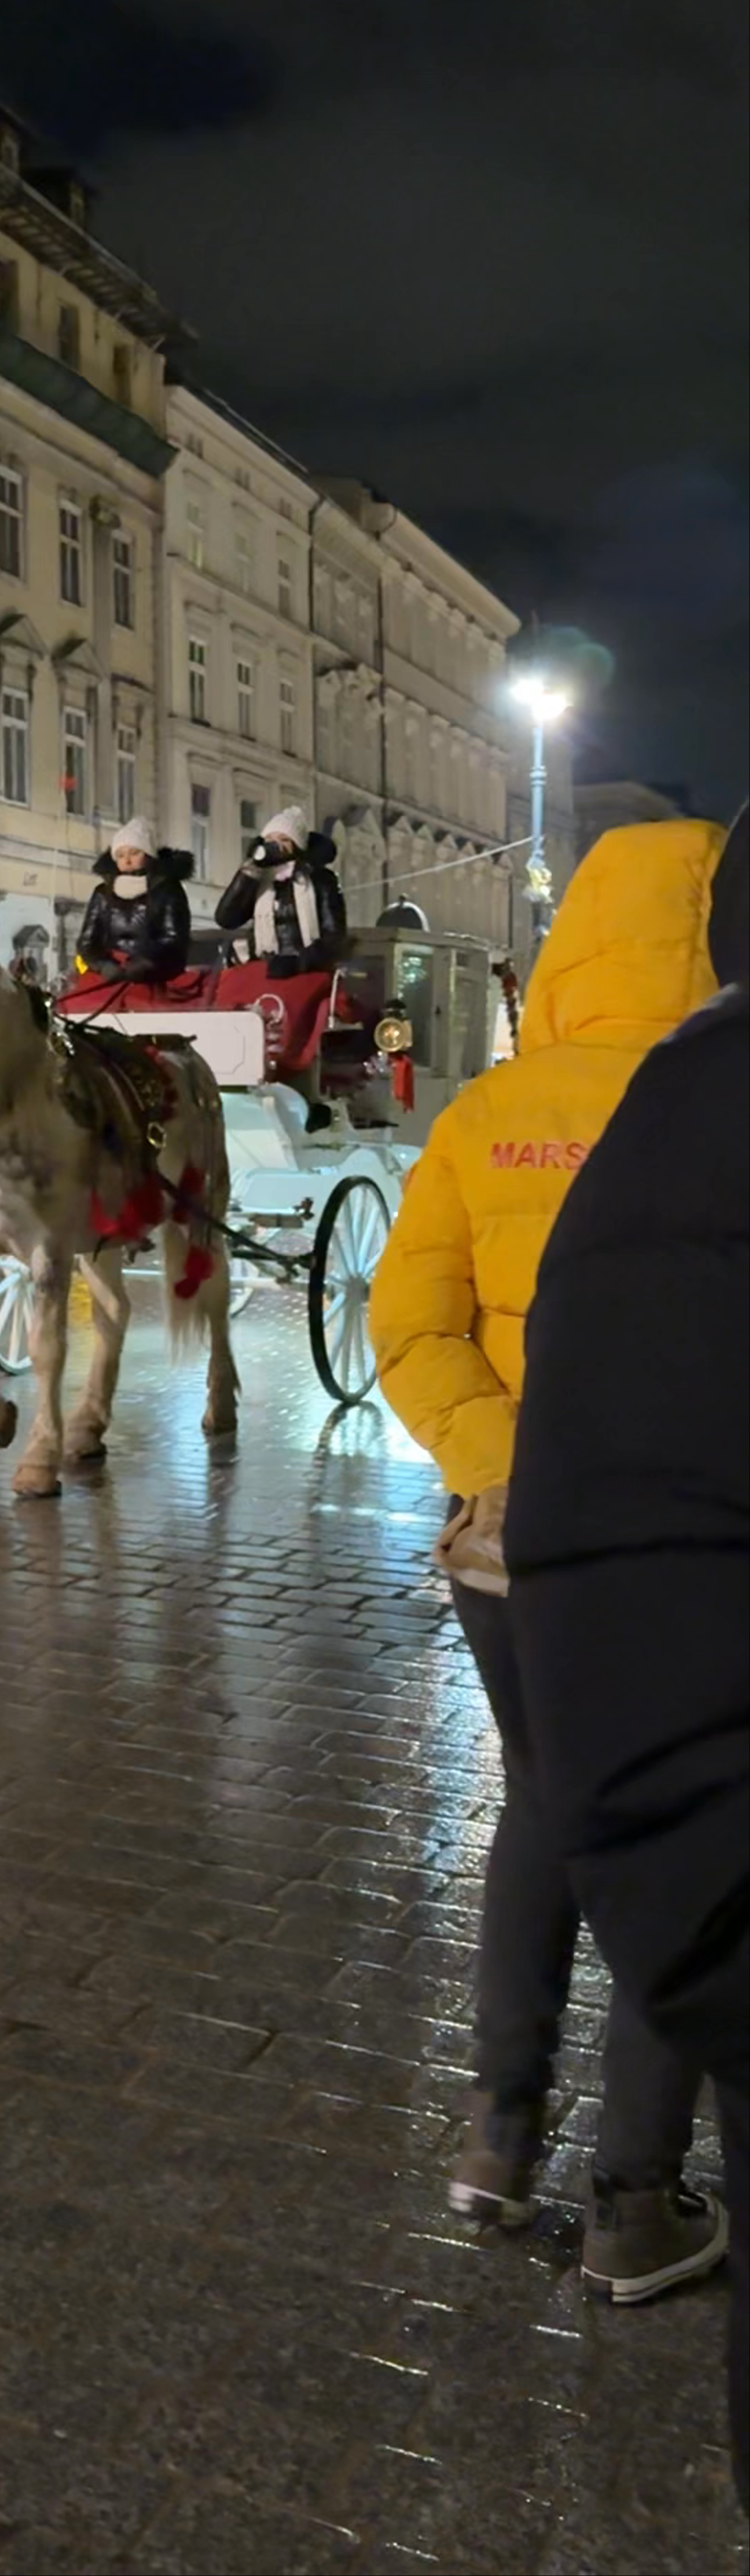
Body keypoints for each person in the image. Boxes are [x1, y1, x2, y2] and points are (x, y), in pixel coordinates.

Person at [369, 817, 730, 2300]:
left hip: (507, 1548)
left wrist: (501, 1466)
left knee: (544, 1802)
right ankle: (634, 2199)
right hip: (684, 1556)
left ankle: (495, 2131)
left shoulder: (488, 1111)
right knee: (690, 1835)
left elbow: (409, 1324)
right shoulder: (716, 1099)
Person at [507, 806, 747, 2497]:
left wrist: (474, 1449)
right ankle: (614, 2177)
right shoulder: (685, 1113)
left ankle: (526, 2149)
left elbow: (399, 1318)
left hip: (542, 1543)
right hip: (567, 1536)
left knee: (547, 1823)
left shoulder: (566, 1115)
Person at [214, 808, 346, 975]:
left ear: (298, 846)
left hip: (307, 970)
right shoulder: (261, 880)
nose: (276, 846)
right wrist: (249, 874)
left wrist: (301, 962)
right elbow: (227, 919)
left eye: (284, 840)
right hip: (265, 969)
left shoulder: (320, 879)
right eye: (269, 839)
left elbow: (334, 935)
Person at [76, 817, 193, 985]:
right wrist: (101, 965)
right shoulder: (103, 893)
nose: (128, 861)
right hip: (110, 975)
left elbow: (175, 939)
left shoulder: (168, 889)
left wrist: (148, 962)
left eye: (135, 853)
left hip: (155, 976)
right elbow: (87, 942)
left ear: (148, 855)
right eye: (121, 855)